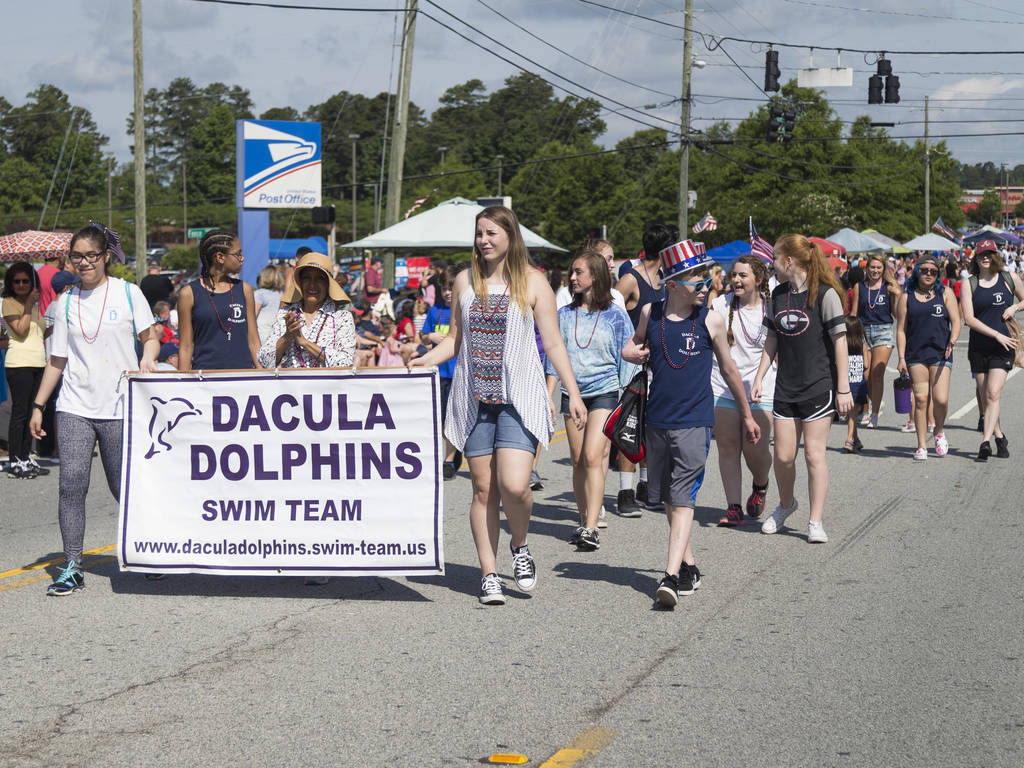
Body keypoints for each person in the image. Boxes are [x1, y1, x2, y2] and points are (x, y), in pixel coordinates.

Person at [411, 205, 586, 606]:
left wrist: (573, 393)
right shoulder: (465, 281)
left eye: (491, 233)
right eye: (479, 233)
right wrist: (426, 360)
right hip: (474, 400)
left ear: (510, 236)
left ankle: (519, 545)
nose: (484, 240)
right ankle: (489, 573)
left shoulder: (533, 282)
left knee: (515, 485)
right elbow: (455, 339)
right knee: (483, 488)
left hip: (517, 400)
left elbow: (553, 343)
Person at [622, 239, 760, 607]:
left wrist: (747, 414)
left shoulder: (710, 319)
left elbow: (729, 370)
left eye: (705, 275)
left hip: (695, 421)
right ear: (672, 284)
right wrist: (630, 352)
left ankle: (669, 576)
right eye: (696, 277)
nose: (704, 283)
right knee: (670, 498)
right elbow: (631, 345)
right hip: (656, 420)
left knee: (682, 496)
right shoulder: (651, 312)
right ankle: (689, 565)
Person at [29, 224, 160, 596]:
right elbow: (57, 360)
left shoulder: (128, 293)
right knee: (71, 484)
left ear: (105, 257)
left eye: (91, 255)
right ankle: (72, 566)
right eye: (77, 256)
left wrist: (148, 359)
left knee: (123, 487)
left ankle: (152, 549)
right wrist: (39, 405)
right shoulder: (65, 302)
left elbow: (150, 338)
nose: (84, 262)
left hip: (119, 405)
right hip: (74, 406)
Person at [752, 234, 852, 545]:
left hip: (818, 385)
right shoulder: (777, 294)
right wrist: (759, 377)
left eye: (774, 259)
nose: (772, 264)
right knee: (783, 457)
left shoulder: (826, 294)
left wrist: (844, 388)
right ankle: (786, 505)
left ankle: (815, 521)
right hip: (786, 387)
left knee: (813, 454)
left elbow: (840, 342)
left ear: (789, 261)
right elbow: (771, 339)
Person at [546, 248, 636, 552]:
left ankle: (592, 526)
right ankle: (584, 517)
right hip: (572, 394)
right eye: (571, 272)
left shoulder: (615, 315)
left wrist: (629, 395)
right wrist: (549, 394)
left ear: (595, 276)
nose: (572, 277)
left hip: (605, 391)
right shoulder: (563, 315)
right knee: (577, 459)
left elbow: (628, 356)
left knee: (592, 456)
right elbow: (553, 359)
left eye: (578, 272)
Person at [614, 224, 676, 517]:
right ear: (665, 249)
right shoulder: (631, 279)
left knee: (652, 428)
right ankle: (625, 492)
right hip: (633, 364)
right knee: (632, 426)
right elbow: (611, 313)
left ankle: (645, 485)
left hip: (659, 364)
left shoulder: (668, 278)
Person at [709, 255, 775, 527]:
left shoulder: (771, 307)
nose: (735, 279)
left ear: (758, 279)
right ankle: (733, 506)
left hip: (760, 387)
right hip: (722, 385)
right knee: (727, 447)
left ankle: (760, 484)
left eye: (742, 275)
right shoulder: (719, 305)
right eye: (733, 274)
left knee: (755, 449)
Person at [960, 239, 1024, 461]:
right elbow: (969, 319)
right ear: (976, 259)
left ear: (995, 256)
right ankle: (999, 436)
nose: (985, 258)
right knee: (987, 397)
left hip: (1004, 347)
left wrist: (1015, 306)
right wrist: (995, 334)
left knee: (993, 393)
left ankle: (984, 442)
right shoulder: (970, 283)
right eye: (981, 255)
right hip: (979, 347)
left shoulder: (1009, 278)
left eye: (989, 254)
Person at [895, 255, 961, 461]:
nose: (929, 274)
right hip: (916, 355)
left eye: (933, 271)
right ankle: (921, 445)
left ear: (938, 274)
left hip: (941, 353)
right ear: (917, 272)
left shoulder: (946, 293)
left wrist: (952, 340)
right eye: (924, 270)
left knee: (941, 399)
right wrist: (901, 357)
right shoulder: (906, 297)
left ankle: (939, 431)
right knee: (921, 400)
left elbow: (956, 321)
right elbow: (901, 330)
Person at [176, 229, 261, 371]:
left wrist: (263, 374)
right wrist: (183, 380)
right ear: (220, 257)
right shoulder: (188, 293)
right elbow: (185, 346)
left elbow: (253, 340)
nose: (242, 258)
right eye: (238, 254)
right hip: (205, 377)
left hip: (243, 376)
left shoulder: (245, 289)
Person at [258, 251, 355, 370]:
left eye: (320, 278)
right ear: (300, 282)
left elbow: (346, 363)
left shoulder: (342, 317)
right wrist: (287, 337)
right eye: (306, 278)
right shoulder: (286, 314)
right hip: (292, 382)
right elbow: (265, 361)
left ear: (328, 283)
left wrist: (305, 343)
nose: (312, 285)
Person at [2, 261, 47, 478]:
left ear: (32, 282)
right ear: (10, 283)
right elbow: (20, 330)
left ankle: (26, 455)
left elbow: (39, 333)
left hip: (39, 363)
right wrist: (28, 304)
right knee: (20, 413)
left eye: (25, 281)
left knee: (32, 412)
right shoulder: (9, 303)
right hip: (19, 364)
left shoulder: (35, 305)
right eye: (16, 281)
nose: (21, 285)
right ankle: (15, 460)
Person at [421, 266, 462, 479]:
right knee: (442, 419)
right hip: (440, 372)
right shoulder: (435, 310)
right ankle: (450, 455)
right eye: (444, 288)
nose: (447, 293)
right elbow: (423, 336)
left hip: (459, 372)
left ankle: (449, 458)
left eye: (451, 288)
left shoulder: (463, 309)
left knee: (454, 417)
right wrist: (430, 337)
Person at [850, 254, 900, 427]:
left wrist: (898, 294)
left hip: (883, 331)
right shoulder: (859, 287)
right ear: (867, 268)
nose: (875, 271)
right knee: (865, 375)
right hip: (863, 332)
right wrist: (850, 334)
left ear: (883, 269)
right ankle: (868, 406)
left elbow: (897, 314)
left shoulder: (888, 287)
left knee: (876, 373)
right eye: (872, 267)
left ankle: (875, 414)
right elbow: (854, 313)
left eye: (879, 267)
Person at [841, 316, 867, 454]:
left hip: (846, 384)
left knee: (852, 414)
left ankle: (856, 439)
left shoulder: (842, 345)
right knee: (853, 413)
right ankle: (849, 440)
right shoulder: (862, 345)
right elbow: (866, 364)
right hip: (858, 383)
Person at [253, 265, 285, 344]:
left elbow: (252, 317)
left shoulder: (259, 294)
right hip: (277, 338)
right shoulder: (281, 294)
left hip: (261, 337)